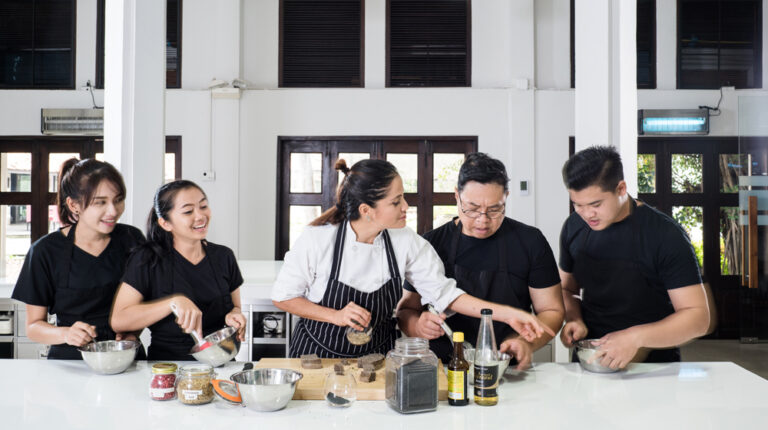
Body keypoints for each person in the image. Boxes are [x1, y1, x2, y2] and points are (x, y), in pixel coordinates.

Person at [272, 158, 553, 358]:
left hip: (378, 359)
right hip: (315, 357)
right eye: (396, 202)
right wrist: (335, 316)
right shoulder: (317, 240)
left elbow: (446, 294)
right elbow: (283, 298)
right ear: (367, 210)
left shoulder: (405, 242)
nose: (406, 206)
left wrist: (509, 314)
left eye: (403, 197)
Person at [396, 153, 564, 368]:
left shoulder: (530, 241)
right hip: (443, 369)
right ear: (456, 195)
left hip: (507, 367)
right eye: (472, 209)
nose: (483, 220)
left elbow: (552, 311)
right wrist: (417, 326)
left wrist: (525, 343)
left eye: (494, 209)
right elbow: (405, 311)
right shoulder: (431, 243)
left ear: (506, 197)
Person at [559, 146, 710, 368]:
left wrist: (635, 338)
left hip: (652, 367)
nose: (587, 214)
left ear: (621, 188)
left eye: (596, 204)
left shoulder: (665, 235)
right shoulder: (574, 227)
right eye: (577, 204)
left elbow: (698, 318)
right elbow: (566, 289)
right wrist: (574, 318)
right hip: (591, 361)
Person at [11, 159, 145, 359]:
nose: (113, 211)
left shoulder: (132, 239)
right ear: (74, 205)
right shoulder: (45, 251)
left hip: (126, 356)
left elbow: (144, 301)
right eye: (100, 202)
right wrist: (66, 333)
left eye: (118, 200)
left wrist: (133, 332)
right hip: (70, 361)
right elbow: (33, 327)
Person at [110, 180, 247, 360]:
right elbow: (119, 320)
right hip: (166, 367)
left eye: (203, 206)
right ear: (166, 223)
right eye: (188, 211)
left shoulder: (224, 256)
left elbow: (235, 307)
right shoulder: (147, 259)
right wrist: (173, 303)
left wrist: (234, 316)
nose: (200, 216)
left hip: (220, 362)